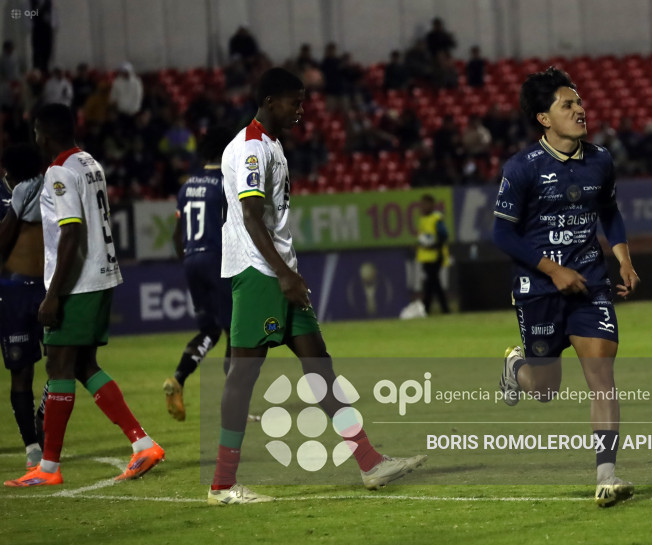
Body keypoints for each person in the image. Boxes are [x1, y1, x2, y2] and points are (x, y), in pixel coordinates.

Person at [208, 68, 426, 505]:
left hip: (281, 273)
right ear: (270, 101)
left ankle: (369, 462)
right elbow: (251, 217)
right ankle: (223, 484)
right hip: (259, 275)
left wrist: (288, 271)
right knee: (243, 375)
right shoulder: (252, 147)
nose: (301, 110)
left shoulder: (272, 144)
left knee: (320, 369)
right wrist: (283, 274)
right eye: (294, 101)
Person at [492, 67, 640, 507]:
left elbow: (609, 212)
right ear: (543, 117)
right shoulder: (521, 168)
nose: (580, 110)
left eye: (579, 102)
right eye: (567, 105)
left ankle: (606, 476)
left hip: (591, 284)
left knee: (603, 378)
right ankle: (517, 368)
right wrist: (552, 270)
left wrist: (623, 256)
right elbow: (502, 234)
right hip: (538, 289)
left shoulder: (600, 159)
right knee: (545, 389)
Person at [4, 104, 164, 487]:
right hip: (101, 275)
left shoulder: (59, 171)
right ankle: (142, 443)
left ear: (45, 132)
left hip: (78, 282)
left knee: (58, 366)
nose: (36, 140)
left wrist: (53, 294)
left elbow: (71, 233)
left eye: (38, 132)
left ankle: (49, 468)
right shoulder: (89, 162)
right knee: (81, 366)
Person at [164, 127, 234, 422]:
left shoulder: (186, 186)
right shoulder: (226, 183)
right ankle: (234, 405)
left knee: (210, 330)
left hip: (192, 261)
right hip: (217, 260)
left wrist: (191, 262)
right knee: (236, 332)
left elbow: (176, 236)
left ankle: (178, 379)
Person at [0, 144, 46, 470]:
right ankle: (32, 445)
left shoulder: (47, 189)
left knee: (63, 361)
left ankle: (42, 417)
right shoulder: (7, 195)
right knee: (21, 370)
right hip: (13, 289)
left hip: (45, 287)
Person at [416, 194, 450, 315]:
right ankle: (440, 309)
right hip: (426, 257)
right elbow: (423, 236)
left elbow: (444, 236)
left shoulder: (436, 218)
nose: (423, 207)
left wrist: (433, 246)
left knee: (432, 283)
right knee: (433, 283)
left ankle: (428, 308)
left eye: (425, 204)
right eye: (422, 204)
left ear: (431, 204)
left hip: (436, 256)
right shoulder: (422, 219)